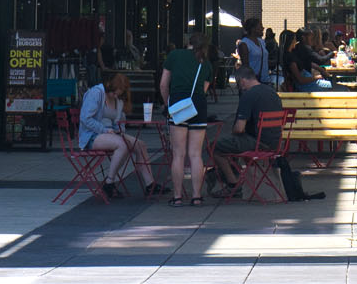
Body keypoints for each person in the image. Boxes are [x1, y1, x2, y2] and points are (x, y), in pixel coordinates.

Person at [79, 72, 162, 198]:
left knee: (140, 145)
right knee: (122, 145)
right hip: (93, 135)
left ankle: (150, 184)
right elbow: (85, 118)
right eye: (115, 92)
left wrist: (119, 131)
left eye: (119, 92)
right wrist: (104, 130)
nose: (116, 95)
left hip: (111, 133)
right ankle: (109, 183)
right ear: (109, 86)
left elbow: (119, 121)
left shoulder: (118, 100)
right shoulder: (96, 93)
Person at [210, 64, 284, 193]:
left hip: (257, 143)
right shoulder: (273, 93)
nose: (240, 88)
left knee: (215, 146)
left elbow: (239, 128)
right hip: (275, 142)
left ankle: (233, 184)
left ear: (242, 81)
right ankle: (232, 173)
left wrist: (234, 133)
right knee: (231, 144)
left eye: (239, 84)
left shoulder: (248, 96)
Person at [160, 32, 212, 206]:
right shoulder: (206, 64)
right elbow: (204, 89)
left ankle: (177, 196)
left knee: (178, 154)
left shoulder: (174, 56)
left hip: (178, 103)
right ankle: (196, 196)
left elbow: (163, 84)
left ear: (188, 42)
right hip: (198, 105)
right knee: (196, 154)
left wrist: (168, 104)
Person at [235, 17, 272, 84]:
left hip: (265, 80)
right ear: (253, 29)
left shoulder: (261, 42)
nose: (263, 28)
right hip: (252, 81)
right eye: (260, 26)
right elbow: (246, 65)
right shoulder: (244, 44)